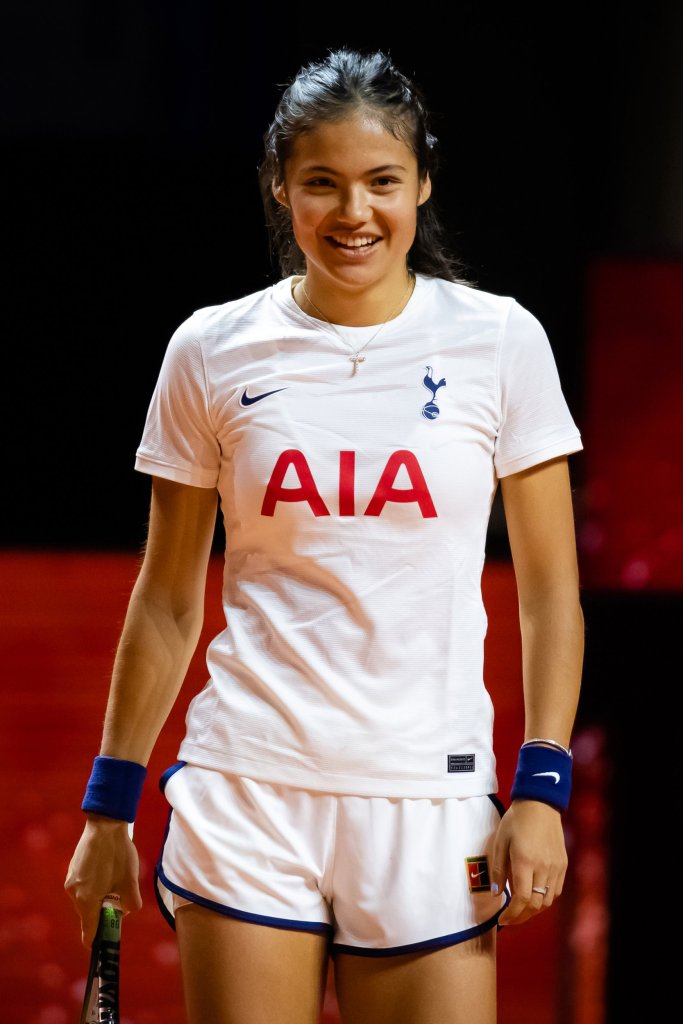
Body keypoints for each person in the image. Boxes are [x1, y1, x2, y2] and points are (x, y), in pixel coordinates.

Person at [65, 47, 584, 1024]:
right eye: (322, 184)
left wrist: (541, 786)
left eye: (381, 181)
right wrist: (108, 804)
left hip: (430, 801)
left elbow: (552, 591)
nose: (354, 213)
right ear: (281, 188)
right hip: (249, 787)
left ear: (420, 182)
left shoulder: (499, 341)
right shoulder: (209, 349)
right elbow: (169, 598)